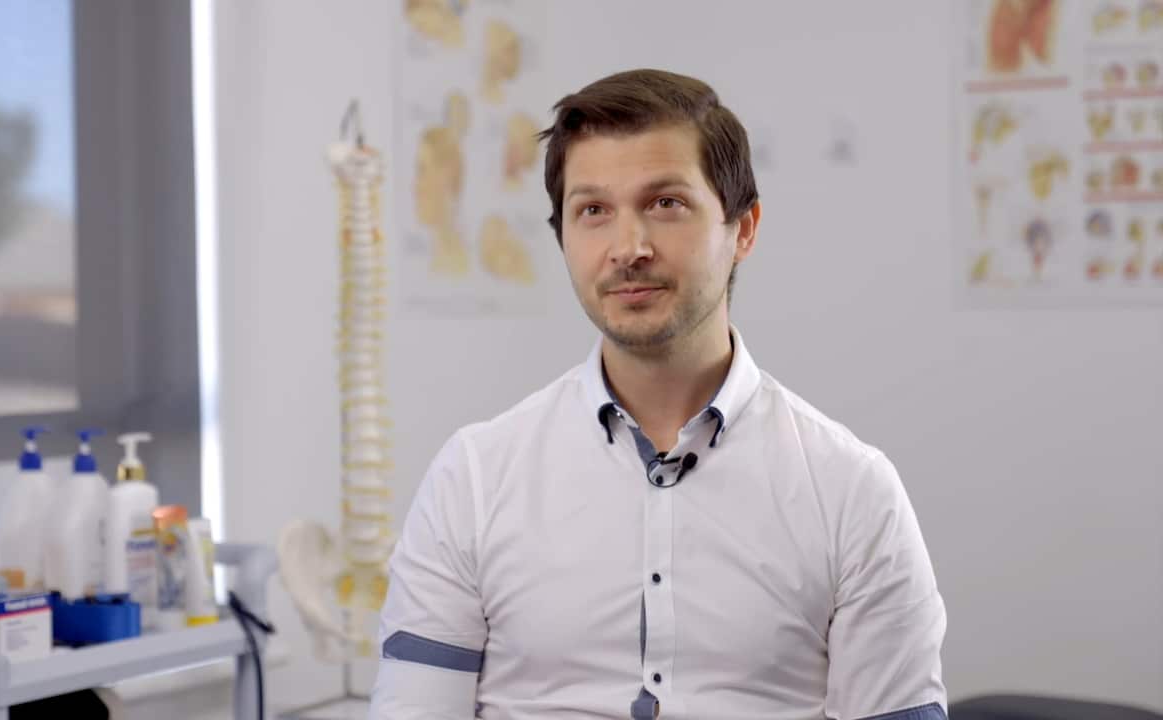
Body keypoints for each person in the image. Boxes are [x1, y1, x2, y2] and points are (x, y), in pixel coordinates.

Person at [369, 69, 947, 720]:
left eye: (665, 203)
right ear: (563, 236)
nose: (628, 248)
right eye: (593, 211)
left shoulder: (851, 491)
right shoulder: (473, 479)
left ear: (744, 229)